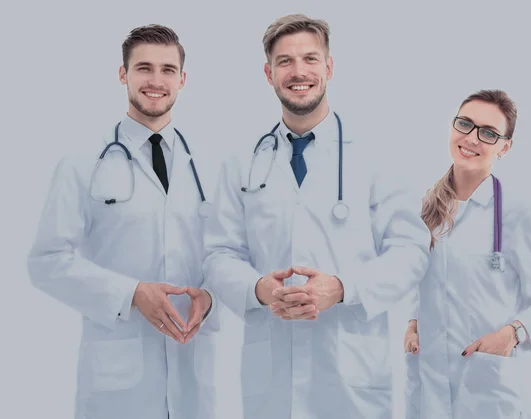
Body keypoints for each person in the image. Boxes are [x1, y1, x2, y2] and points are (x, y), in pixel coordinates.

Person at [202, 13, 431, 419]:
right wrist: (260, 289)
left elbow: (411, 252)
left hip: (351, 377)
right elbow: (219, 253)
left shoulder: (376, 155)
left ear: (329, 67)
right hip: (271, 377)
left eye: (310, 59)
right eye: (285, 62)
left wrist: (342, 287)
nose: (298, 72)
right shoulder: (242, 162)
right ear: (269, 72)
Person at [27, 24, 219, 419]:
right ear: (123, 75)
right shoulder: (83, 164)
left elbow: (229, 253)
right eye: (143, 68)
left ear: (182, 80)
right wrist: (131, 293)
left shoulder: (211, 165)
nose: (155, 80)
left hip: (194, 372)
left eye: (168, 70)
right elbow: (46, 261)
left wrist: (212, 296)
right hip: (117, 382)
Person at [403, 89, 531, 419]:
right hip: (427, 390)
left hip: (487, 390)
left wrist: (511, 335)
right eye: (465, 124)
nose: (472, 138)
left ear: (504, 147)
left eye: (489, 133)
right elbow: (424, 281)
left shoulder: (518, 213)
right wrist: (412, 323)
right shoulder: (424, 208)